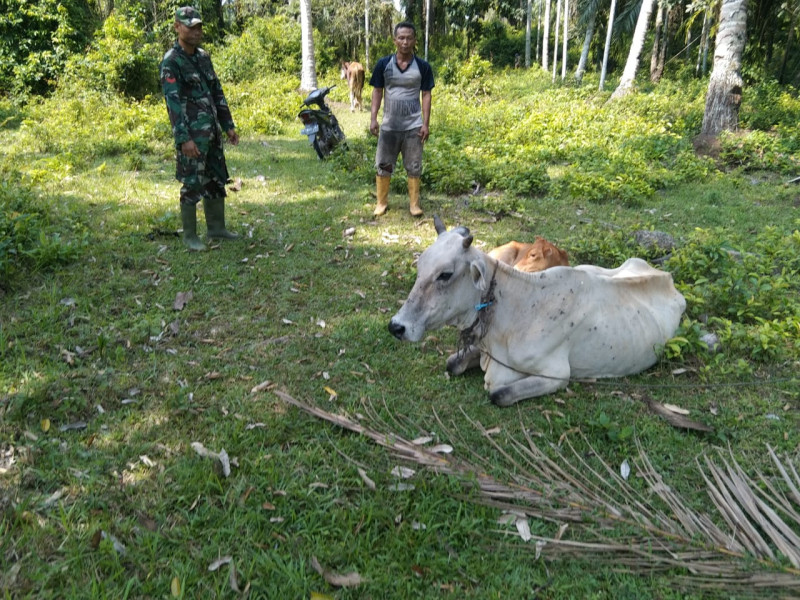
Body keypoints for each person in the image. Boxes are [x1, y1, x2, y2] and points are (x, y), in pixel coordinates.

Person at [160, 6, 239, 251]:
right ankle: (191, 237)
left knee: (215, 178)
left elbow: (216, 91)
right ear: (177, 27)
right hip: (192, 137)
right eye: (190, 26)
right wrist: (183, 138)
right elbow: (172, 104)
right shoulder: (171, 61)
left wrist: (228, 124)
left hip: (212, 133)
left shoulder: (203, 57)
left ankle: (216, 229)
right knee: (192, 182)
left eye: (199, 27)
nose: (196, 31)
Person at [369, 22, 434, 217]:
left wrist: (425, 123)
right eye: (401, 38)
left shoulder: (422, 66)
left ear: (414, 41)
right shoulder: (383, 64)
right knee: (384, 163)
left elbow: (426, 95)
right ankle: (381, 203)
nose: (405, 42)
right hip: (389, 126)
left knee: (414, 165)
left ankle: (414, 204)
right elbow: (377, 91)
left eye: (409, 38)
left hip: (413, 126)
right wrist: (373, 118)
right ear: (395, 40)